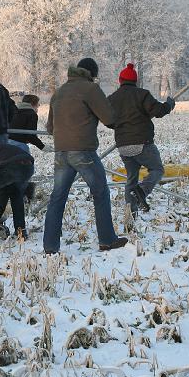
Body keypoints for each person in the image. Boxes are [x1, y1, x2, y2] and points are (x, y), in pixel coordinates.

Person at [43, 58, 128, 254]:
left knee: (57, 197)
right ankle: (107, 239)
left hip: (61, 151)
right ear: (92, 74)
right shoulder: (90, 89)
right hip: (83, 150)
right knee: (100, 192)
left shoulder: (59, 91)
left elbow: (50, 128)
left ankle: (50, 246)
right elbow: (110, 119)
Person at [108, 63, 175, 218]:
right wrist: (169, 105)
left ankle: (130, 215)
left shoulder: (112, 99)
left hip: (123, 146)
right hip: (142, 144)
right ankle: (142, 191)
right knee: (157, 170)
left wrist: (120, 126)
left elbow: (108, 121)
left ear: (120, 80)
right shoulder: (142, 94)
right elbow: (158, 111)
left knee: (131, 179)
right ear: (135, 81)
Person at [0, 94, 44, 222]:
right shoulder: (31, 114)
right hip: (19, 150)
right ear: (33, 104)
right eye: (38, 104)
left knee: (5, 181)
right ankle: (24, 207)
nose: (38, 107)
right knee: (19, 182)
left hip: (5, 147)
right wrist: (43, 147)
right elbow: (31, 135)